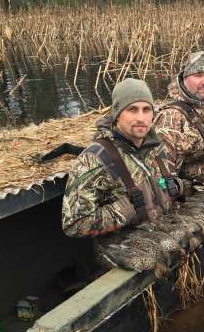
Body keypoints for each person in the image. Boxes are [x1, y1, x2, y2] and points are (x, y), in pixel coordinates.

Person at [62, 78, 182, 238]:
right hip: (126, 247)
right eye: (132, 109)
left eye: (147, 109)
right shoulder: (95, 159)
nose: (141, 118)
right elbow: (74, 224)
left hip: (164, 235)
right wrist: (126, 210)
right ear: (117, 114)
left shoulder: (158, 145)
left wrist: (176, 187)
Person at [154, 51, 204, 184]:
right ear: (185, 79)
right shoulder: (171, 115)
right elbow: (163, 178)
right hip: (196, 196)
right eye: (198, 76)